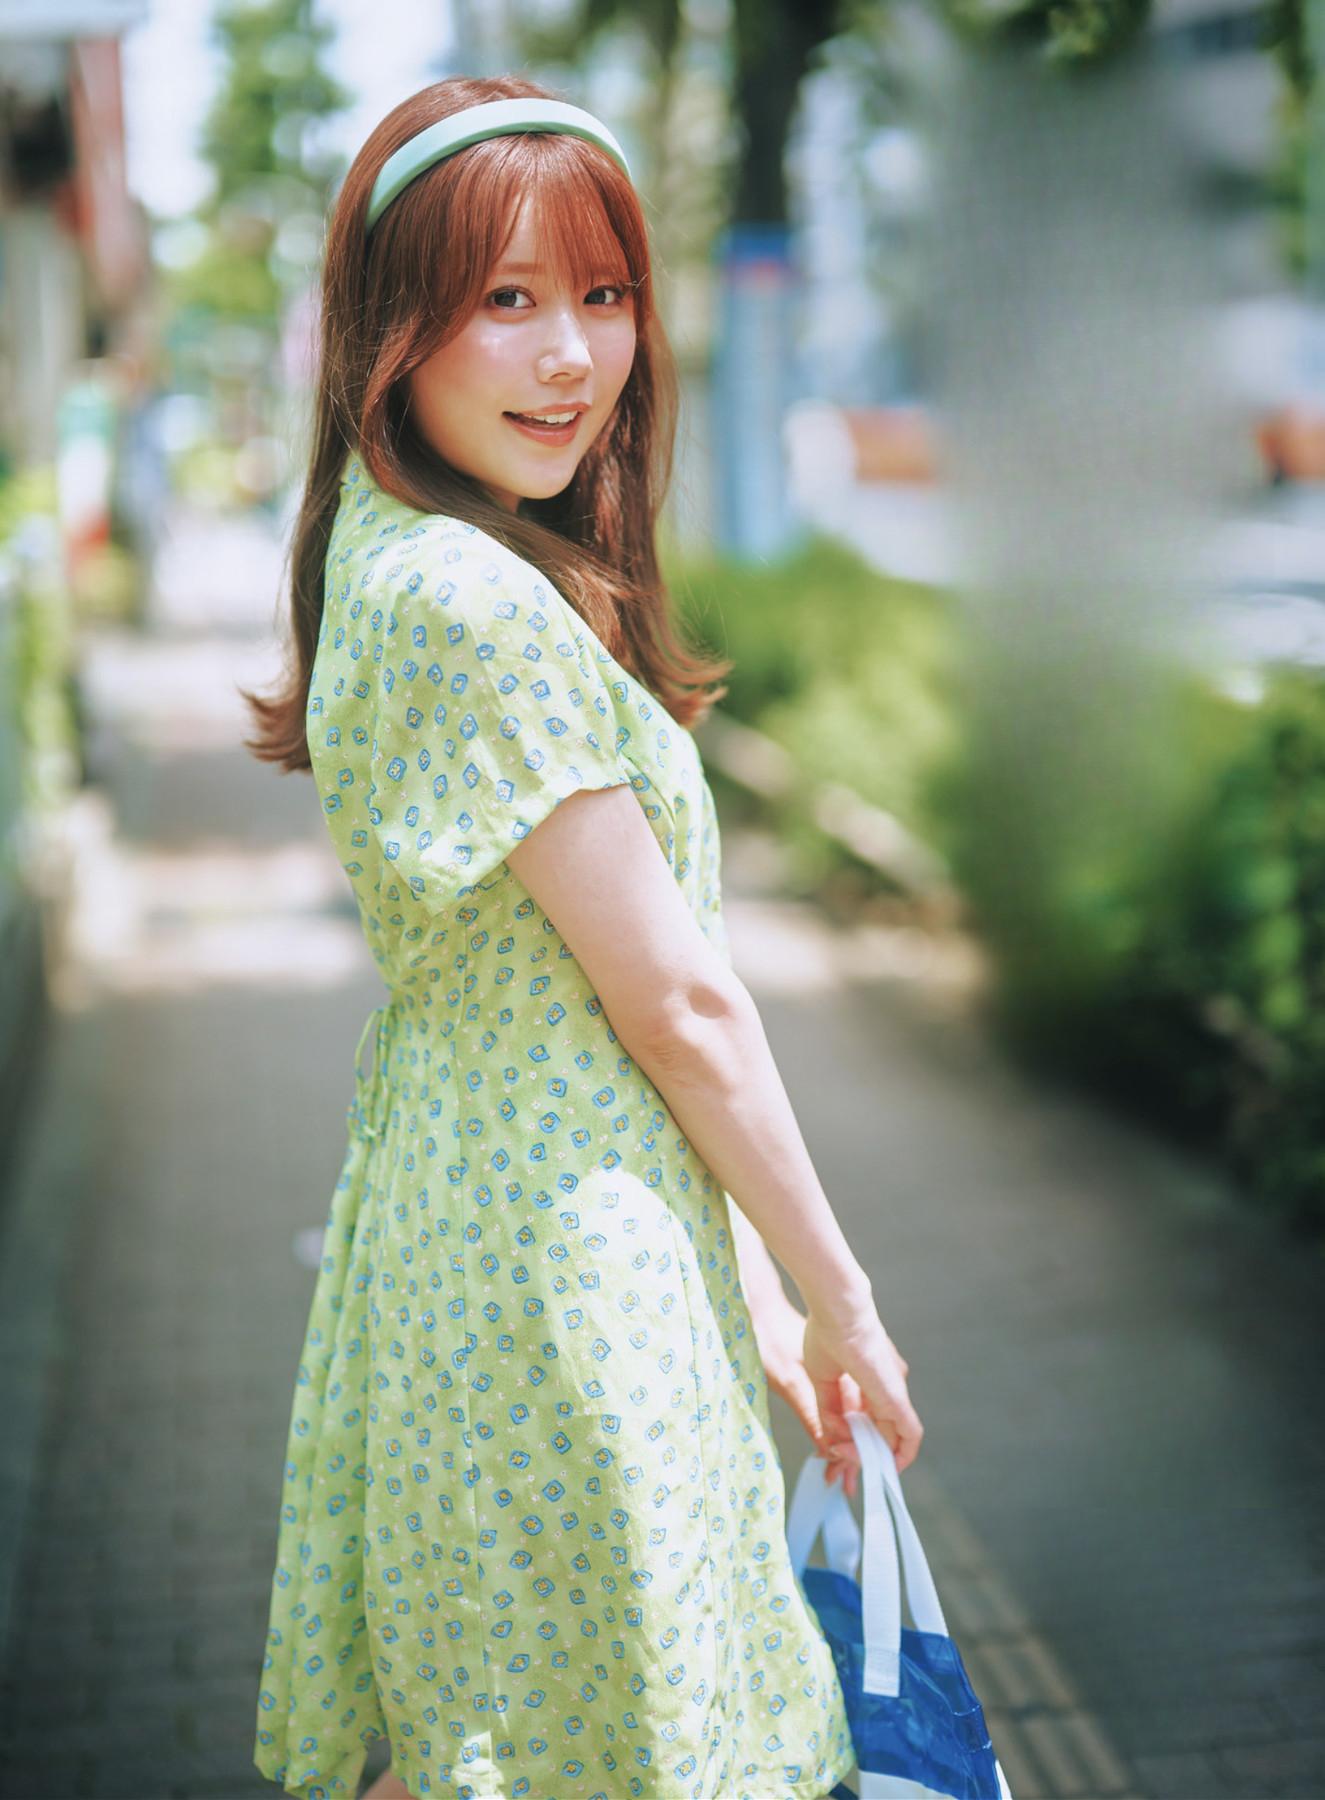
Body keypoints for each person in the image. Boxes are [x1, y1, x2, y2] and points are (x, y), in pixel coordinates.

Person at [242, 72, 923, 1800]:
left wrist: (750, 1293)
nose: (570, 358)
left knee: (503, 1720)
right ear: (392, 330)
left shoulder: (415, 554)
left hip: (504, 1218)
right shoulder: (469, 600)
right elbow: (675, 1004)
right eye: (506, 300)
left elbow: (592, 993)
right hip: (560, 1264)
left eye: (603, 295)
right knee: (577, 1729)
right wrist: (841, 1300)